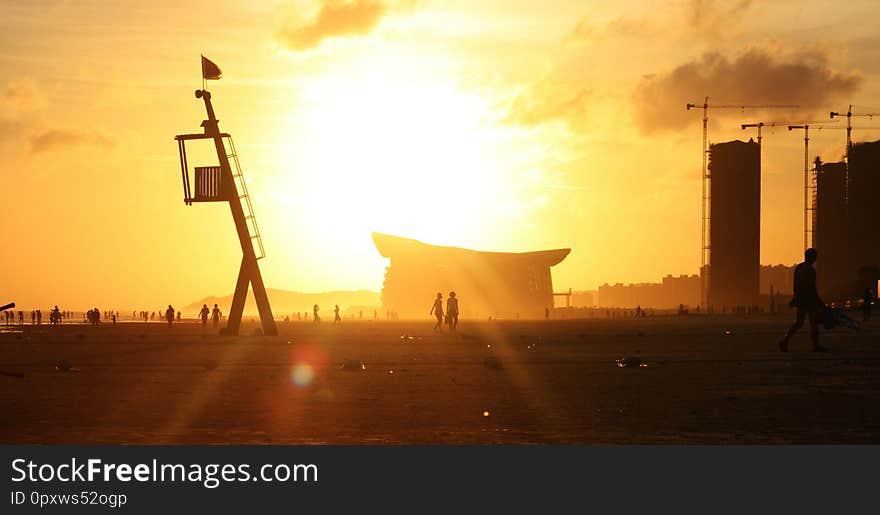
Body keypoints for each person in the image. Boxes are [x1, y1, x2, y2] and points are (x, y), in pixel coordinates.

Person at [779, 248, 827, 352]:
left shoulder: (799, 268)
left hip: (800, 299)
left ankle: (785, 340)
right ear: (812, 257)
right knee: (813, 323)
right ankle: (816, 345)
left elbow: (795, 286)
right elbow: (811, 287)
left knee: (799, 323)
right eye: (815, 257)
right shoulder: (810, 270)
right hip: (809, 300)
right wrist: (819, 301)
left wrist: (795, 298)